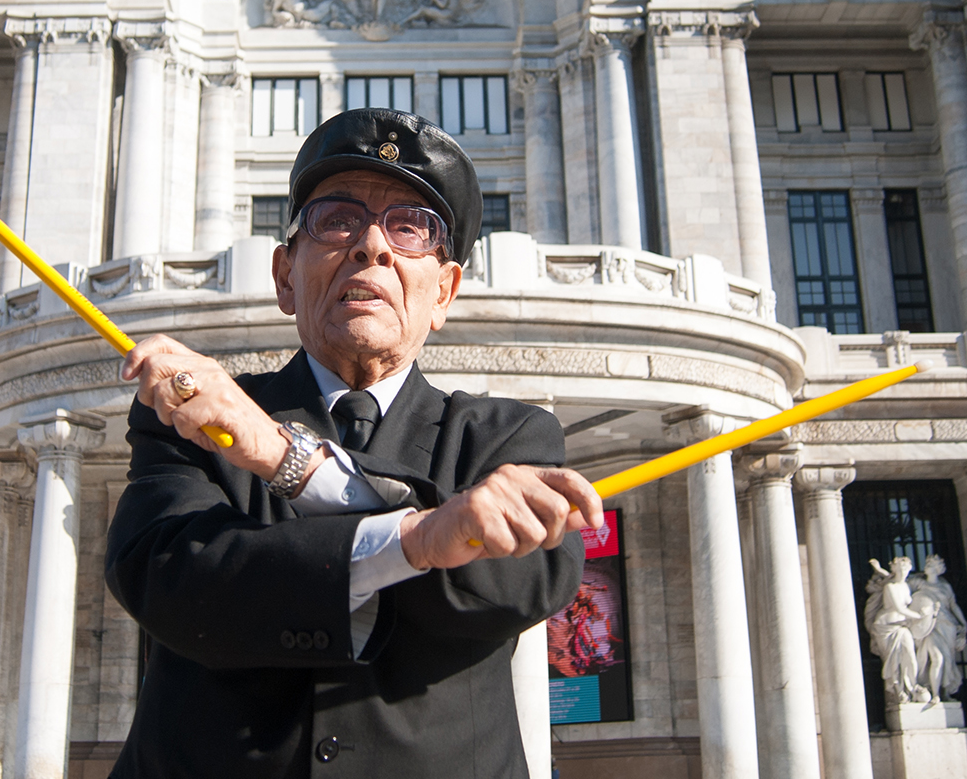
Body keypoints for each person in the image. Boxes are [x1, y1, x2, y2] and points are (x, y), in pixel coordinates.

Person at [106, 108, 601, 778]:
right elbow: (169, 583)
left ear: (444, 294)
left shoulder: (509, 436)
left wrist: (285, 460)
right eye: (337, 220)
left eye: (411, 227)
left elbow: (517, 584)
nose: (373, 246)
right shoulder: (195, 415)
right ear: (285, 276)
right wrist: (421, 540)